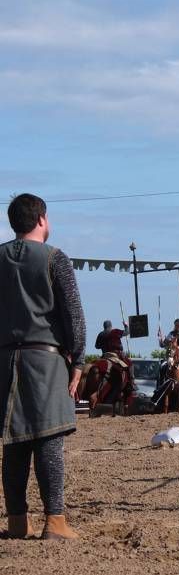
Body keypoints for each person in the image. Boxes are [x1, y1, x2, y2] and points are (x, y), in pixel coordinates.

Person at [0, 193, 86, 540]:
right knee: (48, 438)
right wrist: (78, 360)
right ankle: (55, 521)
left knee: (14, 442)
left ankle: (17, 521)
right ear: (41, 220)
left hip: (4, 359)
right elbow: (74, 316)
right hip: (46, 359)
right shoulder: (55, 258)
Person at [91, 319, 132, 406]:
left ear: (104, 326)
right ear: (110, 326)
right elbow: (127, 332)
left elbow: (96, 346)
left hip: (104, 355)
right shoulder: (115, 331)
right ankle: (131, 384)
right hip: (115, 355)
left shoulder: (100, 334)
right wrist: (126, 325)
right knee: (129, 363)